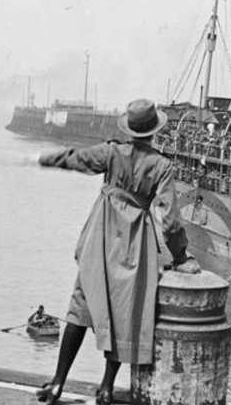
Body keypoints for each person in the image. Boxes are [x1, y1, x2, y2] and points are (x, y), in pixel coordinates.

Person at [33, 98, 199, 405]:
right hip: (134, 241)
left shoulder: (111, 152)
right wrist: (180, 256)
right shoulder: (162, 166)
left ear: (129, 128)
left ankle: (57, 384)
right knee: (126, 312)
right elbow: (171, 221)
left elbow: (77, 159)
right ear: (154, 131)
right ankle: (106, 389)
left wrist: (46, 158)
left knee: (80, 306)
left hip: (101, 234)